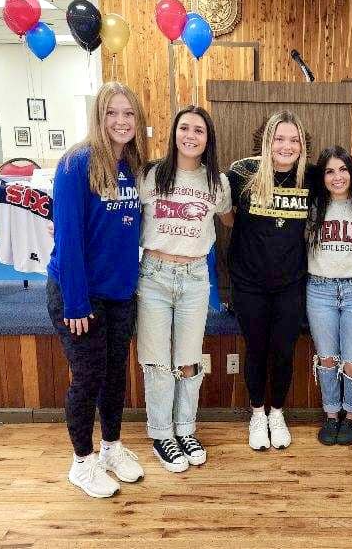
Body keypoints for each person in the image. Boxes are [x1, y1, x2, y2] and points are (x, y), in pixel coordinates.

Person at [46, 81, 147, 499]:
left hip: (119, 294)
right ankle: (82, 462)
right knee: (87, 378)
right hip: (79, 295)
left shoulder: (133, 165)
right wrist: (75, 302)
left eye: (129, 113)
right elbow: (67, 237)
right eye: (112, 113)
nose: (121, 121)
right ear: (99, 117)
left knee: (114, 376)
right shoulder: (76, 163)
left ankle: (111, 448)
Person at [136, 105, 233, 473]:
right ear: (174, 133)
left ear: (208, 139)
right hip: (155, 275)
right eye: (185, 128)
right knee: (157, 360)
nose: (191, 136)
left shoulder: (217, 183)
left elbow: (229, 219)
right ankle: (162, 434)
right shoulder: (150, 176)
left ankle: (186, 429)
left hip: (194, 276)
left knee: (189, 359)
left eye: (199, 130)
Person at [225, 111, 313, 451]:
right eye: (279, 138)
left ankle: (277, 413)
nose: (286, 146)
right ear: (267, 141)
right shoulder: (242, 173)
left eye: (294, 140)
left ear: (302, 145)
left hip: (291, 282)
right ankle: (257, 414)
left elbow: (347, 187)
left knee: (283, 351)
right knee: (256, 349)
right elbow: (223, 213)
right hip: (249, 283)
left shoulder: (310, 176)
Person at [306, 146, 352, 446]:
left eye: (343, 169)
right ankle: (332, 414)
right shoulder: (313, 205)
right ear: (322, 176)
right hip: (319, 288)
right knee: (327, 360)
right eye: (330, 171)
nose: (337, 177)